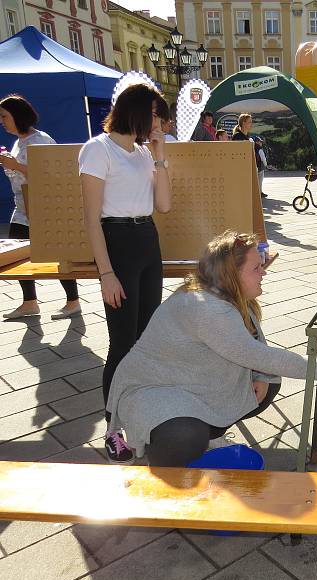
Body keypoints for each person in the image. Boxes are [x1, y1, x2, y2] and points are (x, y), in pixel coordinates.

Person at [106, 231, 317, 466]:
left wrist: (260, 375)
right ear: (232, 274)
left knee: (267, 381)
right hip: (152, 389)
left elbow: (255, 346)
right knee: (184, 436)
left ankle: (210, 435)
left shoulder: (226, 294)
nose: (264, 272)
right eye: (257, 268)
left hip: (189, 381)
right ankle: (171, 475)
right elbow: (260, 355)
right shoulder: (207, 308)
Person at [79, 83, 171, 463]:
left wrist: (160, 154)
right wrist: (106, 273)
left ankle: (140, 413)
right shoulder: (97, 149)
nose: (159, 123)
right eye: (155, 115)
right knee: (121, 343)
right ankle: (113, 428)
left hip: (147, 239)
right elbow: (90, 219)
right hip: (117, 242)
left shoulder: (141, 154)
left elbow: (163, 205)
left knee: (146, 338)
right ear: (136, 110)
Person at [0, 94, 82, 321]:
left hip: (44, 206)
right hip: (22, 206)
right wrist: (11, 164)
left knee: (56, 252)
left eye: (4, 116)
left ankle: (73, 301)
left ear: (17, 115)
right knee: (17, 250)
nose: (2, 121)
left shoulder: (40, 139)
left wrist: (15, 165)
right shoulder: (19, 142)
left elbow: (51, 174)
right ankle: (29, 302)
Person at [232, 114, 266, 197]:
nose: (251, 124)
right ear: (243, 123)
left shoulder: (246, 136)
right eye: (249, 122)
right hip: (240, 170)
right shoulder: (237, 136)